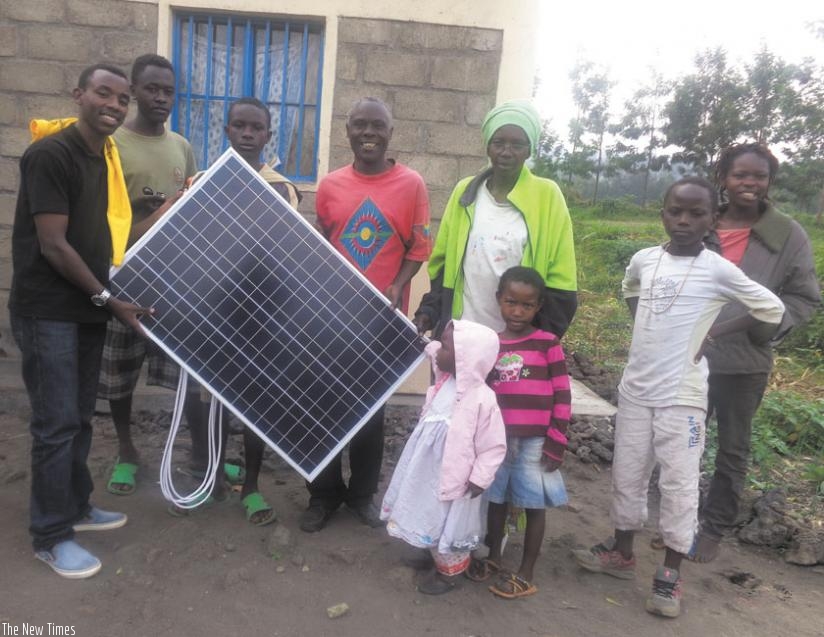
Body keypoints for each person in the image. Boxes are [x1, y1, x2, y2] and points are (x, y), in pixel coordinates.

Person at [571, 177, 785, 618]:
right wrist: (642, 322)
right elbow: (631, 288)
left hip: (681, 397)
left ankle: (670, 573)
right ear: (663, 213)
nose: (684, 220)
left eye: (696, 213)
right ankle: (622, 552)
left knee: (679, 485)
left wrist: (715, 331)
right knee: (627, 474)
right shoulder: (645, 259)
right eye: (675, 211)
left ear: (712, 218)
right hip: (636, 391)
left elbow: (771, 308)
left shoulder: (717, 269)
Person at [9, 63, 153, 579]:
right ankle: (50, 534)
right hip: (49, 310)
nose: (113, 105)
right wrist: (108, 300)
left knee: (78, 416)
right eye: (103, 94)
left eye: (121, 98)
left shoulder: (102, 158)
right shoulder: (51, 155)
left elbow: (107, 235)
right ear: (79, 95)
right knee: (55, 424)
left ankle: (76, 507)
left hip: (85, 308)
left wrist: (102, 298)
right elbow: (52, 244)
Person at [96, 53, 225, 497]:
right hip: (122, 279)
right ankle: (127, 453)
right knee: (120, 375)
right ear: (134, 90)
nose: (161, 98)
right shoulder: (114, 146)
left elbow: (192, 213)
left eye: (168, 91)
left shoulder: (182, 148)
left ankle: (198, 455)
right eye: (152, 89)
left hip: (172, 284)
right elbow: (104, 223)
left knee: (184, 375)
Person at [305, 97, 432, 532]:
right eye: (359, 125)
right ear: (347, 132)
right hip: (331, 317)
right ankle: (321, 496)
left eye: (377, 126)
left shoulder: (411, 184)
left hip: (380, 319)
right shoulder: (330, 185)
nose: (368, 133)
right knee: (322, 406)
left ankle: (361, 496)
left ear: (391, 132)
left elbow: (419, 248)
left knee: (369, 413)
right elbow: (318, 245)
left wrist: (398, 283)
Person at [691, 143, 821, 562]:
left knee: (732, 446)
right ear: (723, 179)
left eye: (759, 176)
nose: (749, 183)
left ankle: (715, 526)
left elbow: (803, 297)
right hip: (691, 357)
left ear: (770, 182)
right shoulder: (700, 221)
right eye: (740, 175)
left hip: (745, 362)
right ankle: (679, 515)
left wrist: (768, 329)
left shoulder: (787, 234)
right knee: (681, 440)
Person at [414, 99, 577, 339]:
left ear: (529, 150)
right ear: (488, 146)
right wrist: (430, 310)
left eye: (517, 144)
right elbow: (444, 264)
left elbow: (562, 282)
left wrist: (535, 345)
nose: (506, 152)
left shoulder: (547, 196)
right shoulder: (465, 192)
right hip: (460, 337)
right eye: (498, 142)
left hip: (515, 345)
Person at [465, 266, 571, 599]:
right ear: (499, 300)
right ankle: (493, 557)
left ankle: (526, 572)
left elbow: (563, 394)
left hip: (535, 444)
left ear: (539, 306)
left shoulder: (547, 344)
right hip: (497, 442)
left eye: (527, 305)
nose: (518, 311)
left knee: (532, 505)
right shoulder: (491, 344)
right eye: (511, 302)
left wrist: (557, 440)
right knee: (495, 501)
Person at [380, 320, 506, 594]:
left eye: (447, 348)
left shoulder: (483, 400)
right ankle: (428, 548)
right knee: (426, 510)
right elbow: (433, 350)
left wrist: (480, 478)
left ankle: (450, 571)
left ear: (465, 357)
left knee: (450, 520)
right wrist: (435, 343)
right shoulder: (445, 382)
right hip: (426, 471)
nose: (438, 351)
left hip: (456, 481)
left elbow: (493, 447)